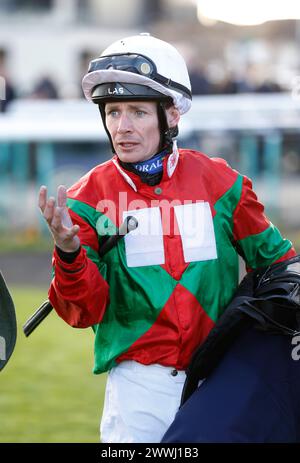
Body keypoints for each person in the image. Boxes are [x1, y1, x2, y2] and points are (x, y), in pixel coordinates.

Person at [39, 33, 297, 443]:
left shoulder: (221, 182)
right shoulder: (86, 200)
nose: (122, 127)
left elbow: (279, 265)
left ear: (172, 115)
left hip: (222, 381)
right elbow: (81, 312)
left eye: (138, 112)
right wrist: (69, 254)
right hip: (140, 390)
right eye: (113, 112)